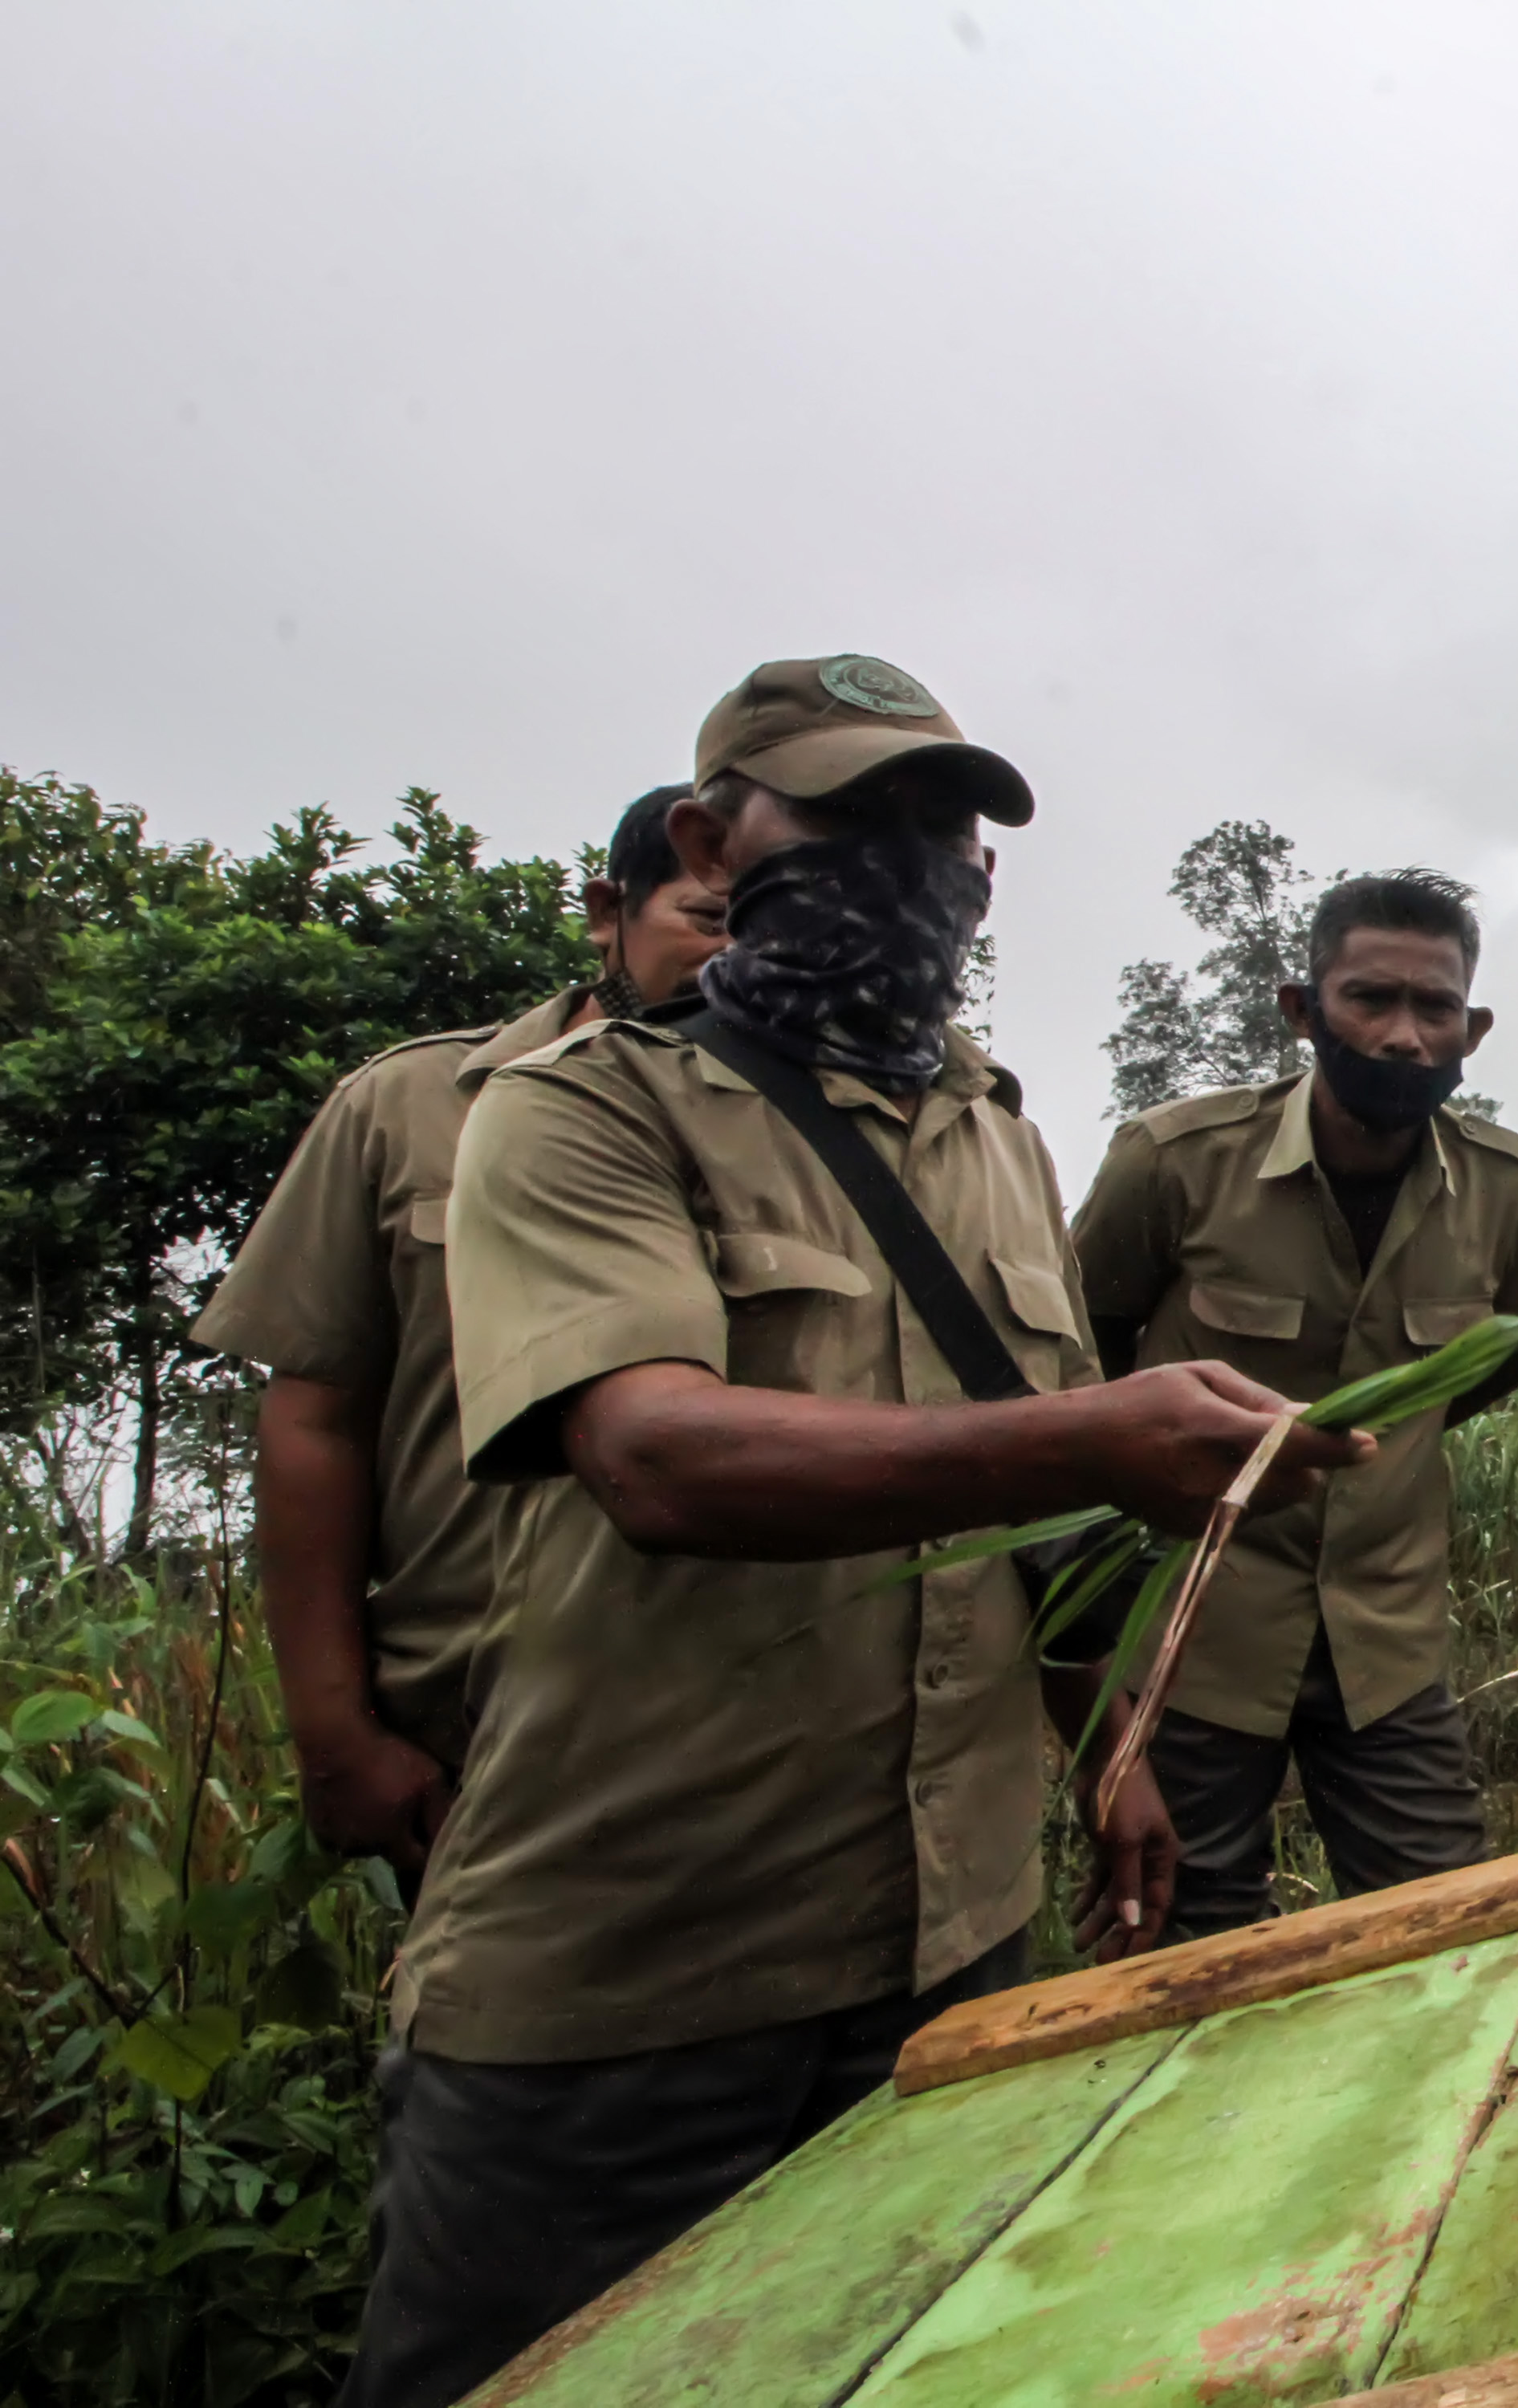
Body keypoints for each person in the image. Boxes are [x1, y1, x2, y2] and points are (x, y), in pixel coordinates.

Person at [340, 657, 1361, 2408]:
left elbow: (1017, 1500)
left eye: (945, 829)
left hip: (947, 1947)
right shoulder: (582, 1115)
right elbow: (655, 1456)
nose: (915, 862)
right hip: (640, 1965)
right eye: (855, 815)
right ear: (708, 837)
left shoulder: (996, 1143)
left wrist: (1103, 1737)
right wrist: (1101, 1434)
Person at [188, 784, 729, 1874]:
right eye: (708, 920)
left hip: (739, 1741)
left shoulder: (822, 1141)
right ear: (605, 911)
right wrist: (335, 1735)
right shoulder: (410, 1108)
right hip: (474, 1730)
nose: (735, 961)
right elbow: (315, 1424)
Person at [1072, 869, 1518, 1938]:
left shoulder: (1508, 1193)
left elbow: (1500, 1361)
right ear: (1303, 1009)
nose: (1402, 1036)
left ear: (1471, 1029)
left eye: (1434, 1009)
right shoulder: (1177, 1164)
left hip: (1385, 1647)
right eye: (1370, 999)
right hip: (1197, 1644)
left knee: (1445, 1938)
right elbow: (1089, 1361)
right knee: (1178, 1955)